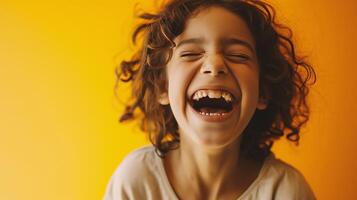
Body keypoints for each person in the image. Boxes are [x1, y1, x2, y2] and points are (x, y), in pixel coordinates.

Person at [104, 0, 317, 199]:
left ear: (263, 91)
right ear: (163, 87)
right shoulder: (136, 181)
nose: (214, 65)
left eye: (239, 55)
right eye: (190, 54)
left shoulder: (286, 191)